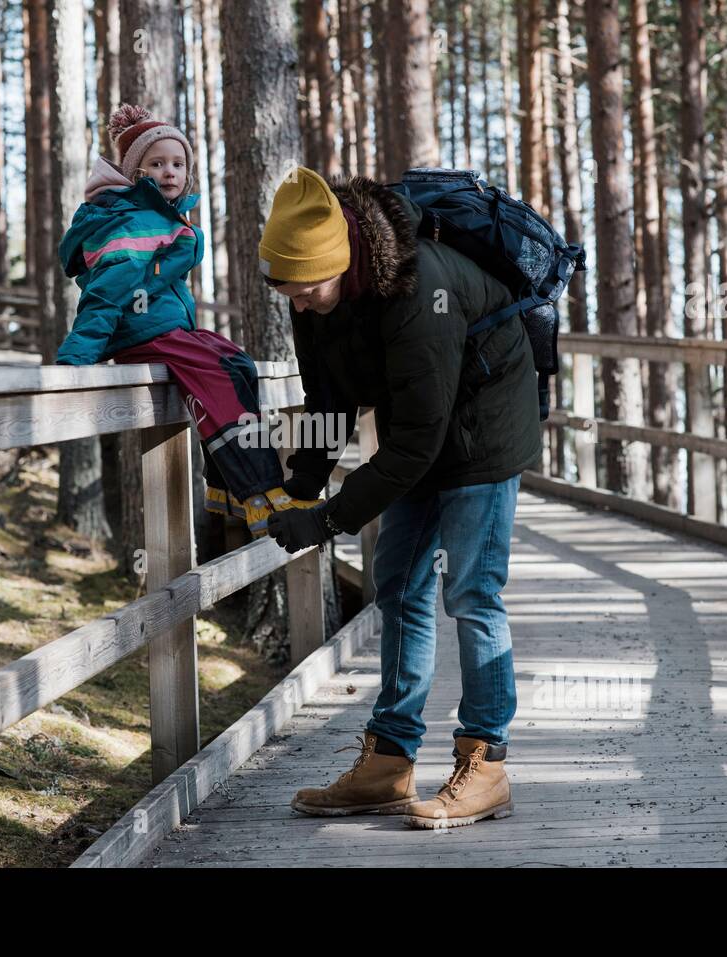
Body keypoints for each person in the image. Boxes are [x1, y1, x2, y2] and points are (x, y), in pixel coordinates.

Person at [261, 166, 542, 828]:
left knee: (471, 589)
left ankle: (487, 762)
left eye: (307, 291)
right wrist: (303, 478)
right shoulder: (316, 294)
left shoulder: (421, 292)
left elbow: (415, 444)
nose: (298, 305)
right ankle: (389, 762)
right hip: (421, 424)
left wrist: (328, 518)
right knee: (400, 585)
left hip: (486, 428)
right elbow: (328, 396)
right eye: (288, 294)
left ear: (341, 262)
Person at [54, 103, 318, 537]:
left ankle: (222, 488)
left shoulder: (160, 218)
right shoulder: (132, 222)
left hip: (165, 331)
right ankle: (257, 490)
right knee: (216, 371)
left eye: (178, 163)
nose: (170, 172)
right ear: (135, 174)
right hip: (141, 333)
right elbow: (107, 292)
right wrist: (76, 359)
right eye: (156, 164)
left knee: (237, 361)